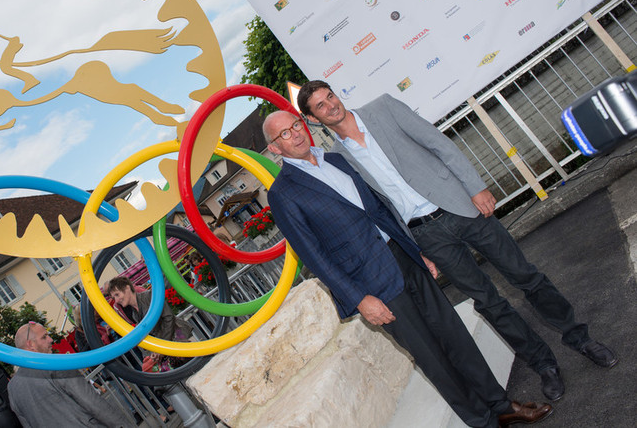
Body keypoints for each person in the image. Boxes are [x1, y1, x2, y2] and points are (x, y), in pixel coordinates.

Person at [296, 80, 618, 401]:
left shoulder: (382, 108)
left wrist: (475, 186)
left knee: (525, 276)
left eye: (331, 96)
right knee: (488, 301)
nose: (331, 106)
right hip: (424, 234)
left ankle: (580, 338)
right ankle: (543, 364)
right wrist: (415, 250)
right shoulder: (338, 159)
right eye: (320, 106)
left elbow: (439, 144)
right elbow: (377, 209)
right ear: (313, 119)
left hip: (460, 207)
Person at [264, 110, 552, 427]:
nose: (296, 133)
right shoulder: (283, 193)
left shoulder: (336, 159)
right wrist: (360, 298)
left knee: (456, 336)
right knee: (432, 357)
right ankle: (483, 421)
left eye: (296, 125)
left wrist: (418, 253)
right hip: (374, 285)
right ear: (275, 148)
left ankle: (501, 405)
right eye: (285, 134)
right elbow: (314, 256)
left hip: (403, 257)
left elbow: (379, 211)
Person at [7, 321, 133, 427]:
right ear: (31, 345)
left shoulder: (13, 387)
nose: (51, 340)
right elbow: (91, 402)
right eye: (44, 337)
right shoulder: (57, 364)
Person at [108, 276, 193, 371]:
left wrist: (161, 348)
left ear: (127, 288)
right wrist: (153, 352)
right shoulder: (134, 314)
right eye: (113, 297)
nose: (116, 300)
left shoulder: (149, 296)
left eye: (117, 295)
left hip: (177, 340)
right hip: (169, 348)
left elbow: (168, 317)